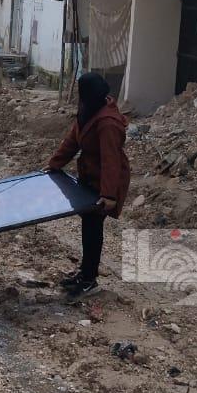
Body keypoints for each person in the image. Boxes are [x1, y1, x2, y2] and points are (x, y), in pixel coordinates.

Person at [45, 72, 130, 302]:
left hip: (104, 183)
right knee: (88, 227)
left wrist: (109, 195)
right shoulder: (88, 112)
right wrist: (54, 165)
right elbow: (72, 141)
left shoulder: (107, 123)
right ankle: (84, 272)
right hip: (89, 178)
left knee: (93, 230)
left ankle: (90, 279)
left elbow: (111, 160)